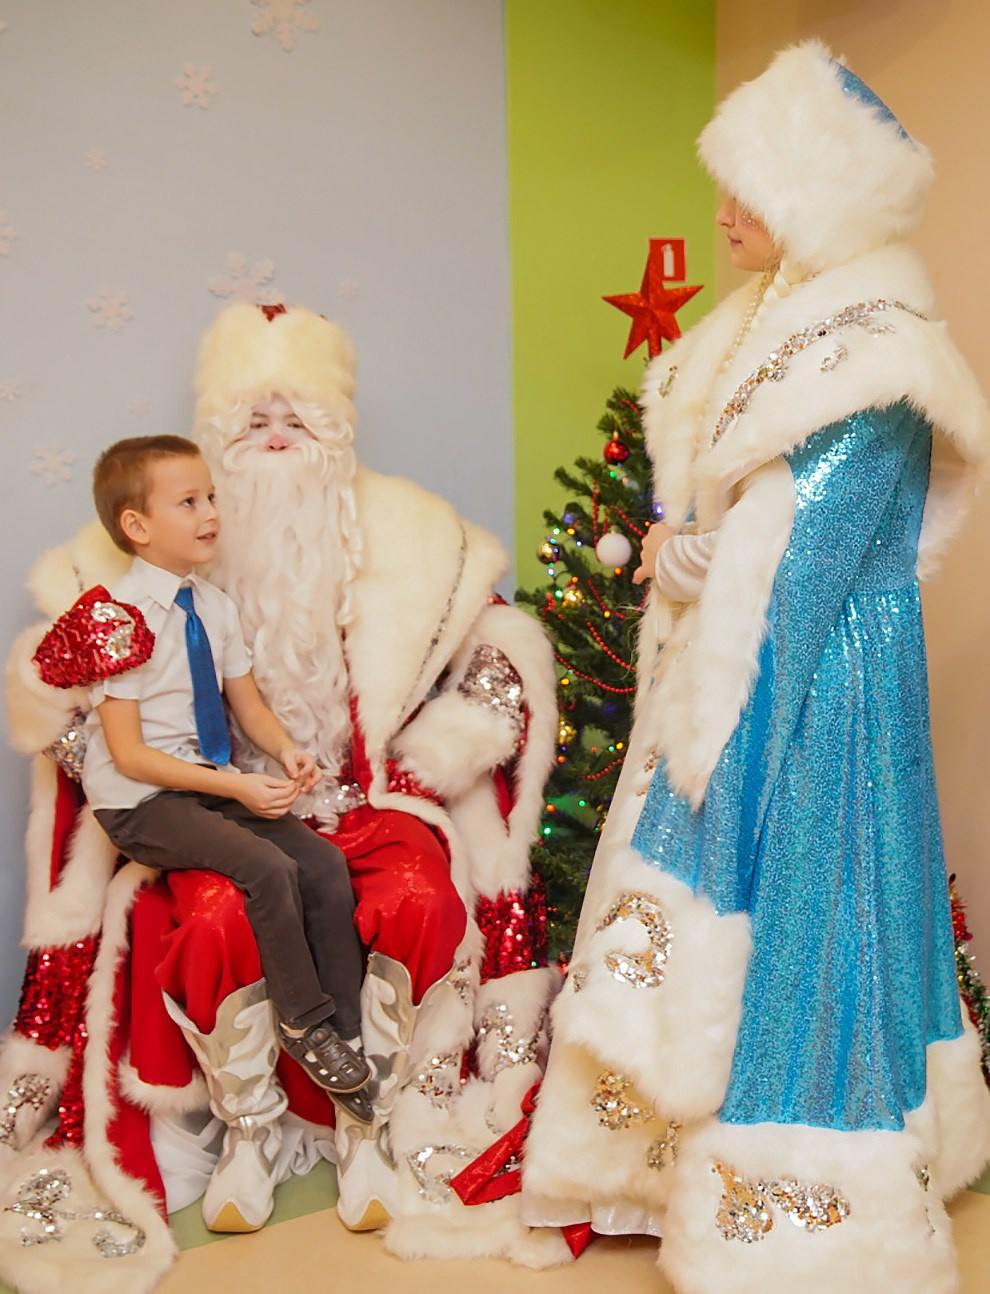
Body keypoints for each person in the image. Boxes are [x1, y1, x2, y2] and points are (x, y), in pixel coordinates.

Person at [522, 41, 990, 1294]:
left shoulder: (875, 355)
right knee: (720, 904)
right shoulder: (771, 323)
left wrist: (681, 560)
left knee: (806, 911)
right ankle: (665, 1168)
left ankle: (810, 1213)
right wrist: (690, 560)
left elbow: (804, 553)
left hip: (820, 670)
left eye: (751, 190)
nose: (724, 212)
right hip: (750, 655)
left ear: (813, 201)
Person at [0, 303, 563, 1294]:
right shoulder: (113, 597)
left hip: (360, 792)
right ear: (153, 508)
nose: (271, 443)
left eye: (296, 423)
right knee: (223, 904)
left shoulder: (412, 535)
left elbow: (496, 655)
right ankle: (251, 1131)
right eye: (248, 427)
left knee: (412, 892)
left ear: (334, 438)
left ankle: (367, 1118)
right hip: (189, 801)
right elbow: (85, 724)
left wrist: (422, 753)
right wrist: (236, 784)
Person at [83, 435, 373, 1137]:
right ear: (138, 525)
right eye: (190, 502)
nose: (211, 511)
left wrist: (283, 751)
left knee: (324, 864)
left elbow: (247, 707)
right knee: (268, 868)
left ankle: (349, 1031)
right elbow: (128, 754)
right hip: (140, 798)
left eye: (211, 496)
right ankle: (305, 1027)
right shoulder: (114, 618)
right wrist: (238, 789)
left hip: (207, 782)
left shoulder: (211, 606)